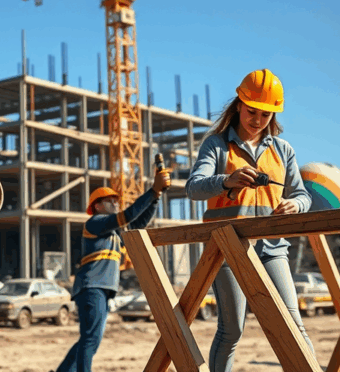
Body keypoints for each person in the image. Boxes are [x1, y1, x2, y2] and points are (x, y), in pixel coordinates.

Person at [185, 68, 314, 372]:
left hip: (272, 248)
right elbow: (193, 188)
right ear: (239, 105)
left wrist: (295, 205)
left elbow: (303, 195)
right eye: (252, 111)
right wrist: (227, 181)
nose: (257, 120)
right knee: (232, 330)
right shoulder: (216, 145)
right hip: (228, 249)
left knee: (294, 325)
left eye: (266, 114)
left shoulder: (284, 150)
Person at [54, 168, 171, 372]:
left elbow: (139, 222)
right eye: (110, 201)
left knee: (89, 340)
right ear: (97, 206)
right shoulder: (95, 223)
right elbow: (127, 216)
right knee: (91, 339)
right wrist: (152, 190)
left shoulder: (113, 232)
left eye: (116, 201)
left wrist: (156, 197)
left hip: (100, 289)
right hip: (92, 287)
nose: (115, 203)